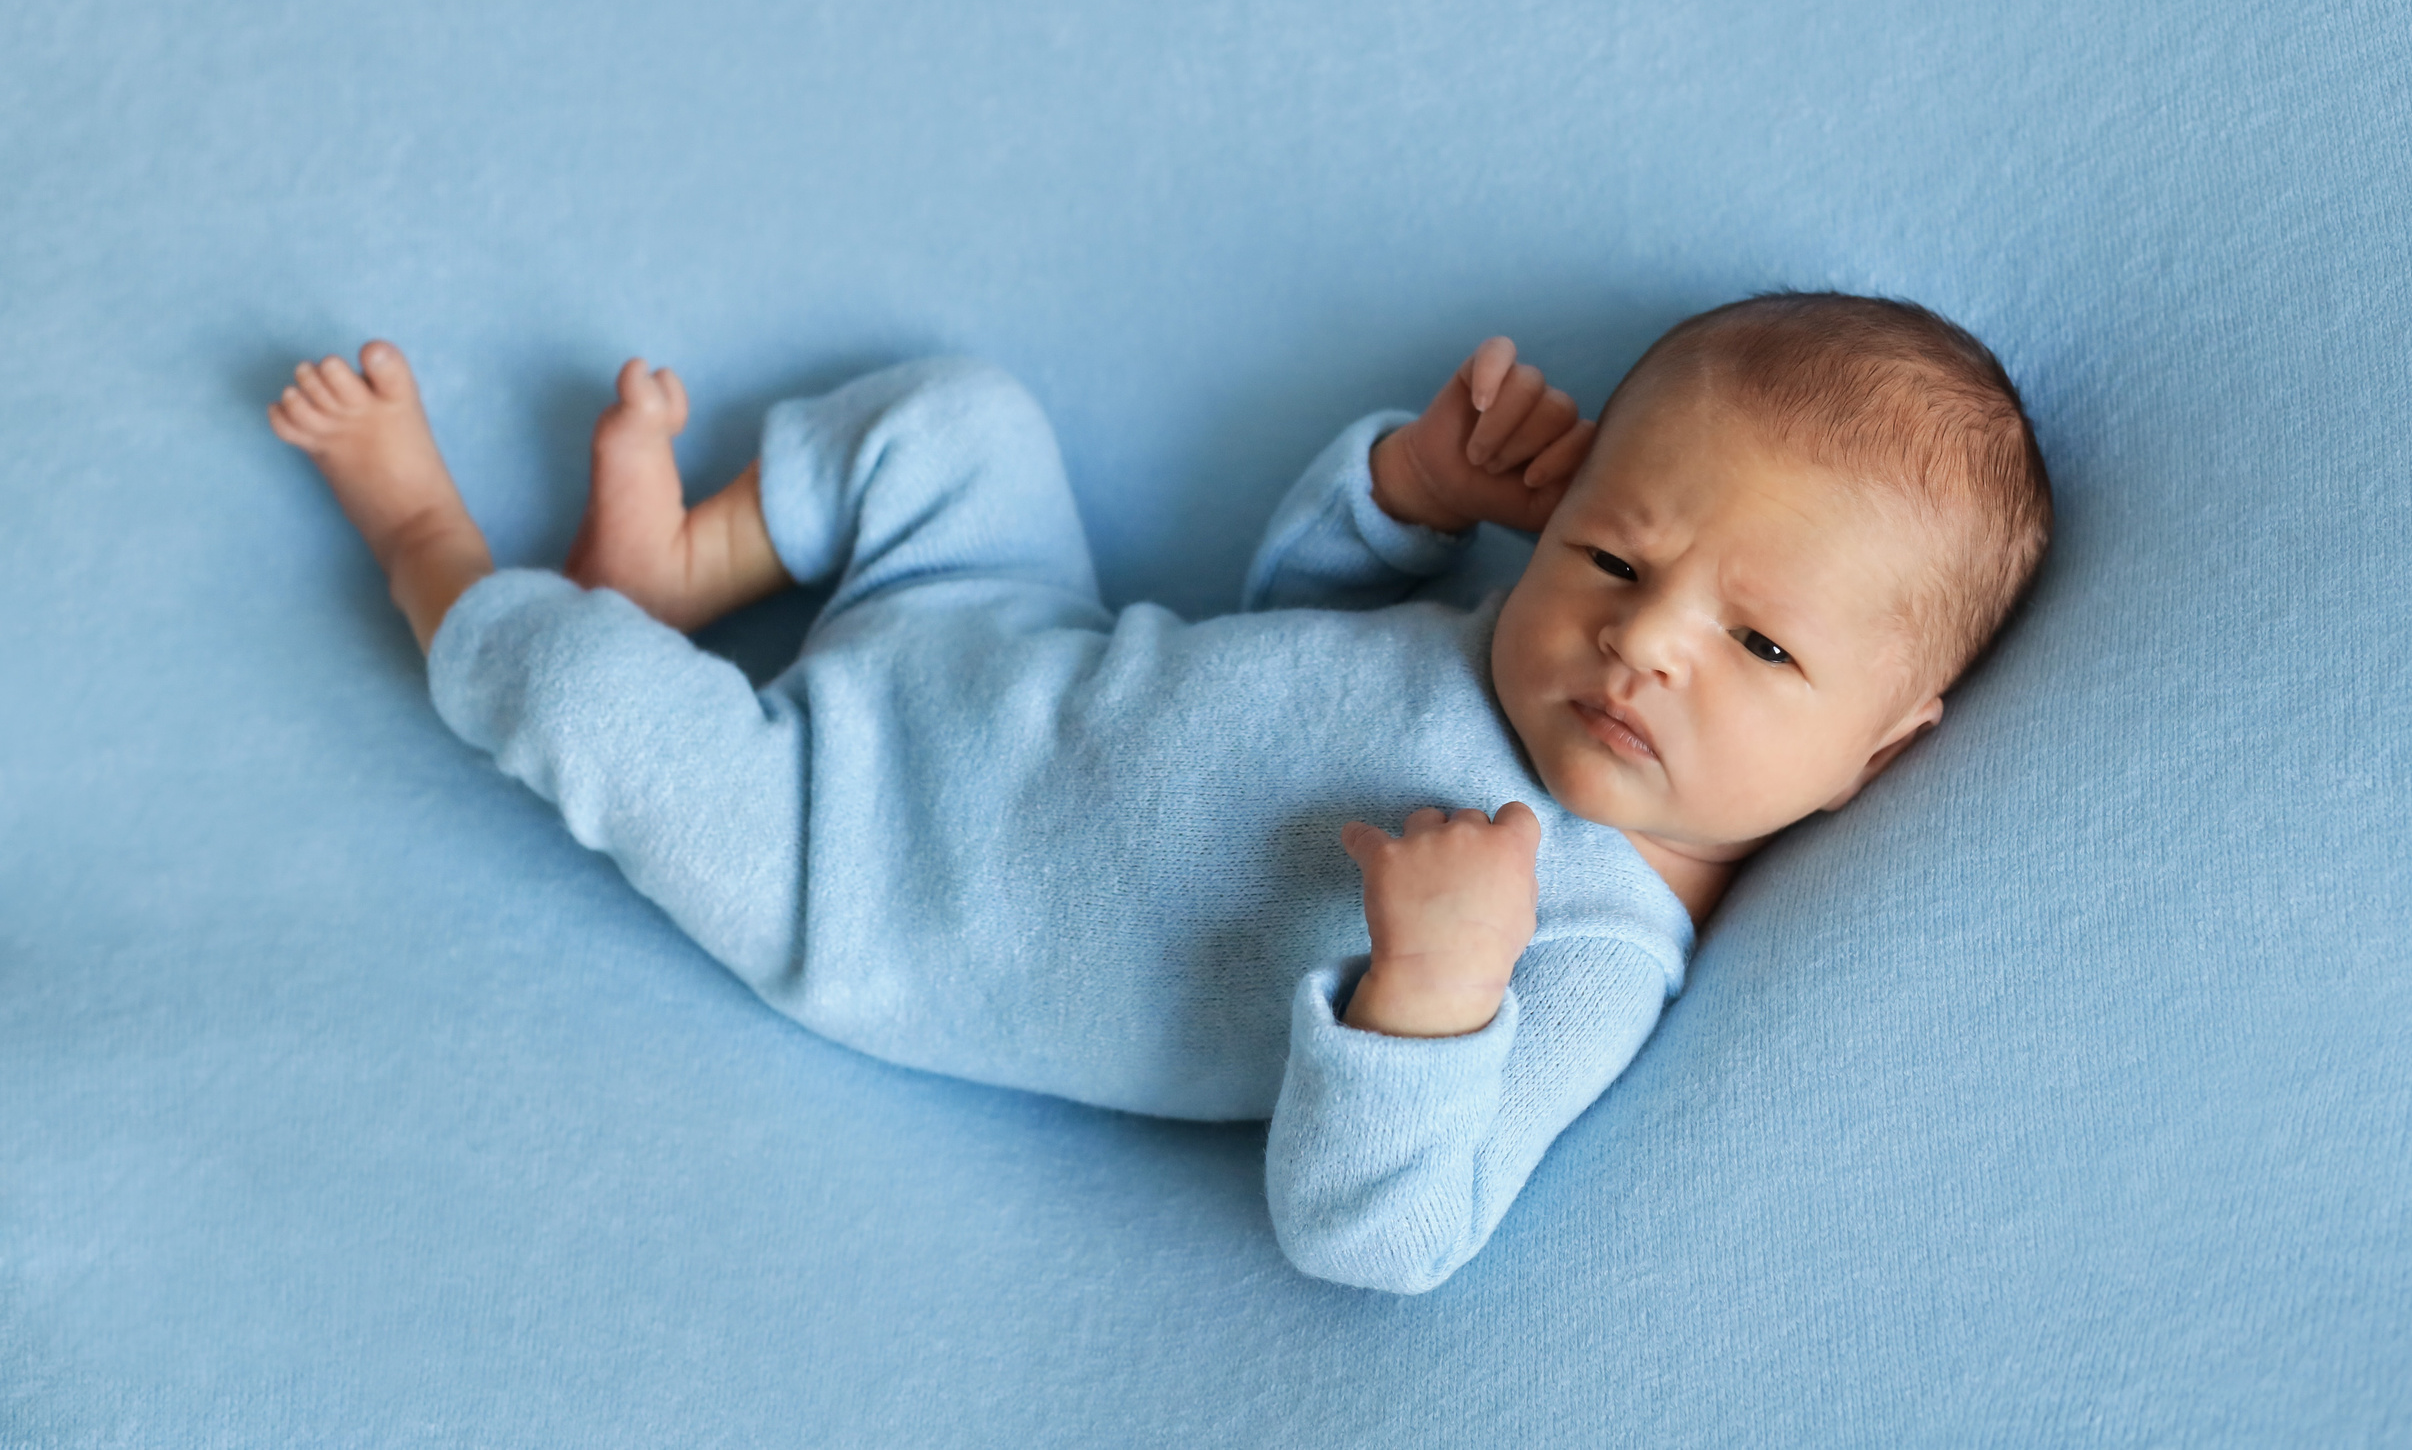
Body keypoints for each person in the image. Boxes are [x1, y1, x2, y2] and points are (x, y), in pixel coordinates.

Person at [265, 292, 2051, 1293]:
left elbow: (1389, 1237)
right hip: (1009, 637)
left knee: (581, 703)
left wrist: (1427, 1002)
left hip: (872, 871)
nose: (1642, 640)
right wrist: (1412, 491)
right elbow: (1280, 618)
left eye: (1762, 650)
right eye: (1607, 551)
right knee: (961, 413)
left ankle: (438, 548)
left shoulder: (1582, 933)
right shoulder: (1514, 645)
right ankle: (680, 569)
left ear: (1884, 751)